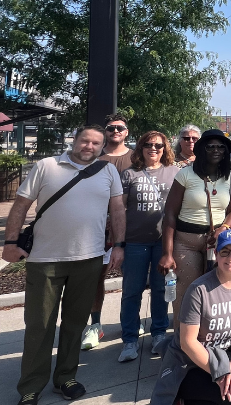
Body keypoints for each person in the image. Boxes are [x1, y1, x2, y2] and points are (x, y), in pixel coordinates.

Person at [3, 125, 124, 405]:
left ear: (102, 147)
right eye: (85, 140)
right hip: (45, 259)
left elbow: (117, 209)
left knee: (75, 323)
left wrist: (119, 245)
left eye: (96, 143)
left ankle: (65, 377)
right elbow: (20, 205)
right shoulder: (47, 166)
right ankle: (31, 386)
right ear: (74, 140)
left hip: (89, 258)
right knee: (40, 325)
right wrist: (10, 242)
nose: (89, 146)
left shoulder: (108, 171)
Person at [150, 230, 231, 405]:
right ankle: (187, 395)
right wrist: (221, 374)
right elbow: (188, 343)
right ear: (216, 254)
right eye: (225, 251)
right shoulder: (198, 290)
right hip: (190, 362)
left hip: (224, 352)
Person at [158, 129, 231, 333]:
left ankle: (208, 338)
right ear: (202, 149)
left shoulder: (229, 177)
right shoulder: (185, 174)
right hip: (186, 242)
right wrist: (167, 253)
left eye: (221, 147)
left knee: (215, 293)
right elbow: (170, 213)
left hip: (217, 243)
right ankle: (181, 342)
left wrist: (224, 228)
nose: (216, 150)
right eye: (210, 146)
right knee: (186, 294)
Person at [117, 130, 180, 362]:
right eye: (148, 145)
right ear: (141, 147)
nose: (153, 149)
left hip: (164, 242)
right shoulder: (129, 174)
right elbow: (120, 210)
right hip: (135, 241)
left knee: (161, 289)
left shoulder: (174, 172)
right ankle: (130, 339)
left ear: (165, 149)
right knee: (131, 291)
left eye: (158, 146)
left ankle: (159, 334)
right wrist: (118, 243)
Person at [81, 113, 134, 351]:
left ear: (126, 132)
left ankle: (130, 321)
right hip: (98, 227)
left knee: (132, 278)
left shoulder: (136, 158)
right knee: (95, 278)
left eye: (119, 128)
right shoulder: (94, 158)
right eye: (111, 128)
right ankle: (95, 325)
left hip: (131, 227)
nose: (115, 131)